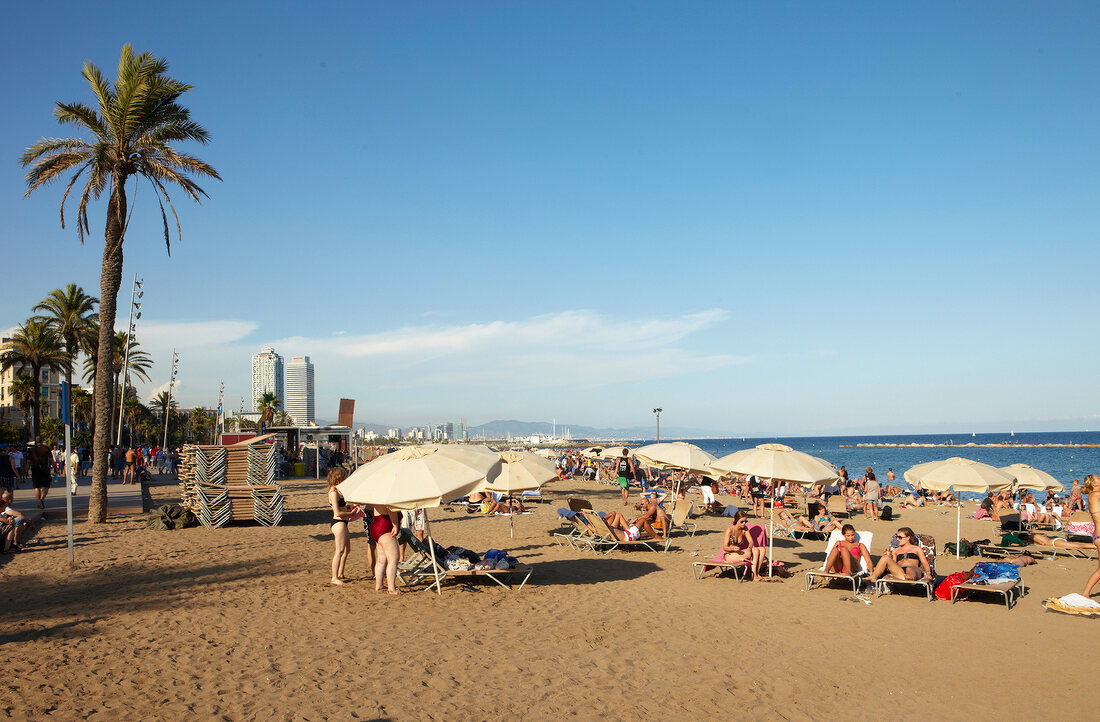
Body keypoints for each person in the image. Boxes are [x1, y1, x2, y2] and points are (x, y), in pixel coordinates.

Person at [866, 527, 931, 585]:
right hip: (900, 571)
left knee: (910, 569)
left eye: (900, 537)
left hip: (914, 569)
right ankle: (874, 577)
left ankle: (910, 578)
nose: (897, 539)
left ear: (908, 538)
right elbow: (893, 563)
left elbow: (924, 563)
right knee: (885, 557)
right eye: (897, 537)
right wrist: (889, 556)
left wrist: (928, 573)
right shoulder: (896, 550)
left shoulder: (917, 549)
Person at [327, 467, 358, 585]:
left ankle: (340, 573)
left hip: (343, 522)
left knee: (347, 550)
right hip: (338, 522)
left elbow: (343, 507)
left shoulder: (338, 491)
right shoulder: (333, 493)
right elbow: (337, 513)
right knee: (339, 550)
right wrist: (351, 513)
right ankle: (334, 577)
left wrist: (351, 508)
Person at [369, 503, 402, 595]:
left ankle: (379, 585)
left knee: (381, 559)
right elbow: (390, 508)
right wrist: (395, 525)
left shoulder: (378, 494)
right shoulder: (388, 494)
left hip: (376, 524)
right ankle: (391, 588)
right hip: (385, 526)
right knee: (393, 559)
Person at [720, 511, 763, 579]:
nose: (744, 523)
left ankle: (756, 573)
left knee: (762, 549)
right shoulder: (730, 530)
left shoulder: (744, 529)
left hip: (738, 552)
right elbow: (725, 547)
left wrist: (749, 548)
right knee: (755, 550)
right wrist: (732, 548)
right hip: (729, 554)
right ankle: (753, 575)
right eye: (742, 521)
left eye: (746, 521)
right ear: (736, 520)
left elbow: (751, 541)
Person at [1085, 476, 1100, 599]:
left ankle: (1086, 593)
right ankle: (1085, 594)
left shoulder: (1093, 496)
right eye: (1098, 478)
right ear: (1094, 484)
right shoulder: (1095, 494)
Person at [28, 436, 53, 509]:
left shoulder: (32, 450)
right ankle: (41, 499)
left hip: (35, 468)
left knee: (36, 486)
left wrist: (26, 471)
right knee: (46, 486)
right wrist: (55, 468)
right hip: (45, 468)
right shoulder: (46, 448)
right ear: (42, 440)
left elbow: (29, 461)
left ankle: (38, 500)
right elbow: (51, 460)